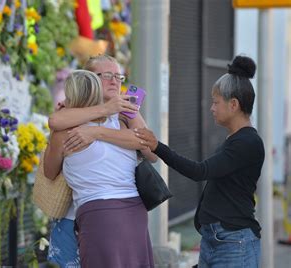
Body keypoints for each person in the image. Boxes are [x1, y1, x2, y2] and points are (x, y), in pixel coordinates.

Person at [135, 55, 264, 267]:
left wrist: (158, 147)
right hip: (218, 239)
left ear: (233, 104)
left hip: (234, 242)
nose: (211, 108)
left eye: (216, 102)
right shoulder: (237, 139)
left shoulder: (247, 142)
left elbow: (199, 171)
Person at [46, 55, 156, 267]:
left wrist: (97, 132)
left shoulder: (125, 116)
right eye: (107, 76)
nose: (115, 81)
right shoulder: (67, 117)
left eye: (118, 76)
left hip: (110, 212)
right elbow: (55, 121)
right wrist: (105, 111)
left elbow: (152, 150)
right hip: (84, 214)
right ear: (89, 79)